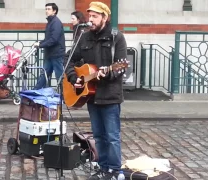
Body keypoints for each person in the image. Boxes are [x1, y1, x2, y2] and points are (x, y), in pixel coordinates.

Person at [64, 2, 128, 180]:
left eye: (95, 16)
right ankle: (103, 168)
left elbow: (120, 68)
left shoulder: (117, 38)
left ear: (105, 18)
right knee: (98, 136)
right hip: (91, 96)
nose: (90, 19)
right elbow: (68, 59)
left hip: (110, 96)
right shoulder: (84, 38)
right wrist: (73, 78)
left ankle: (115, 171)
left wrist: (106, 74)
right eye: (89, 16)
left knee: (112, 137)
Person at [33, 3, 65, 89]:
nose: (46, 11)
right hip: (50, 54)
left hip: (56, 54)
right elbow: (48, 39)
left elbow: (53, 39)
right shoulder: (51, 22)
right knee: (44, 75)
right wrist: (40, 43)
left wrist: (40, 45)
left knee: (59, 77)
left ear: (54, 11)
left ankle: (66, 96)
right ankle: (35, 92)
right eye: (46, 9)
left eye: (49, 9)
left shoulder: (56, 23)